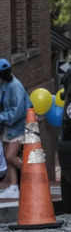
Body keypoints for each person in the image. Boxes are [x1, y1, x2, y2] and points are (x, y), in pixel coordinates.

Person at [0, 58, 31, 199]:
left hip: (18, 127)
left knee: (10, 156)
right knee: (8, 158)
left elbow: (18, 111)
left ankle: (33, 175)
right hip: (7, 126)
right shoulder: (4, 85)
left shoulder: (15, 86)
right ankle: (13, 186)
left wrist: (2, 117)